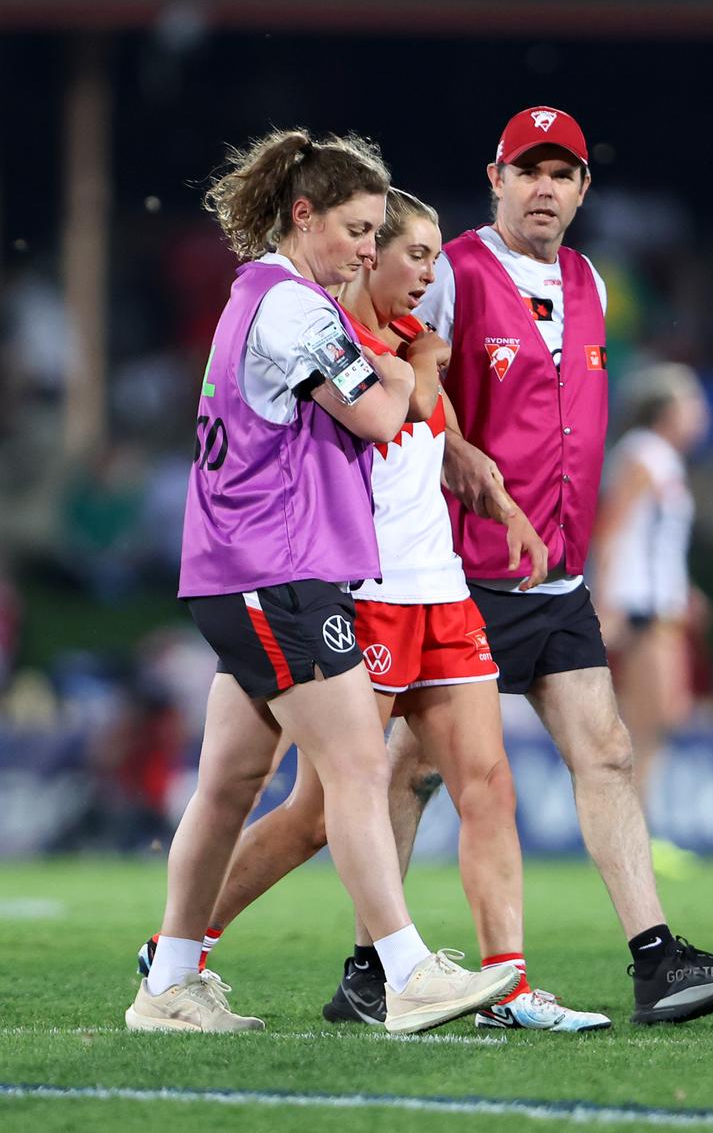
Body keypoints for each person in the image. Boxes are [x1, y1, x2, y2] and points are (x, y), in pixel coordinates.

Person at [137, 188, 612, 1034]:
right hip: (358, 593)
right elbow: (385, 415)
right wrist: (416, 369)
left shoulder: (405, 342)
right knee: (317, 808)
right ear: (363, 254)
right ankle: (192, 950)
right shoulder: (332, 341)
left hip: (440, 589)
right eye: (407, 252)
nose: (429, 272)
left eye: (432, 255)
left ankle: (507, 988)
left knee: (487, 785)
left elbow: (445, 443)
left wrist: (505, 514)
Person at [400, 105, 713, 1025]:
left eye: (561, 173)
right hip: (470, 572)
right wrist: (447, 441)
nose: (544, 187)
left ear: (582, 189)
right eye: (528, 170)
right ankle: (380, 963)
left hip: (558, 578)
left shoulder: (589, 281)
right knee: (412, 768)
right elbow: (409, 361)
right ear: (496, 178)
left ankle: (657, 964)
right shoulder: (450, 269)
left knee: (605, 753)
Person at [591, 363, 710, 875]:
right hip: (638, 605)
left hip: (660, 603)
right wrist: (609, 601)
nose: (701, 415)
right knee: (646, 722)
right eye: (692, 404)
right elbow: (612, 529)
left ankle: (638, 829)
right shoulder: (643, 454)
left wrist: (685, 590)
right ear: (667, 411)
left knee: (662, 717)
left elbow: (654, 537)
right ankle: (634, 835)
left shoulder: (663, 460)